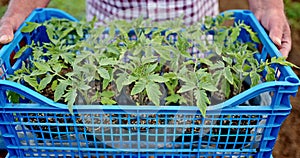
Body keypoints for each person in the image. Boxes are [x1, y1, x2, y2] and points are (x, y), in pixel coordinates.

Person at [0, 0, 291, 57]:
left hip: (192, 43)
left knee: (196, 131)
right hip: (110, 46)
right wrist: (20, 10)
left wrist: (269, 7)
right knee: (110, 133)